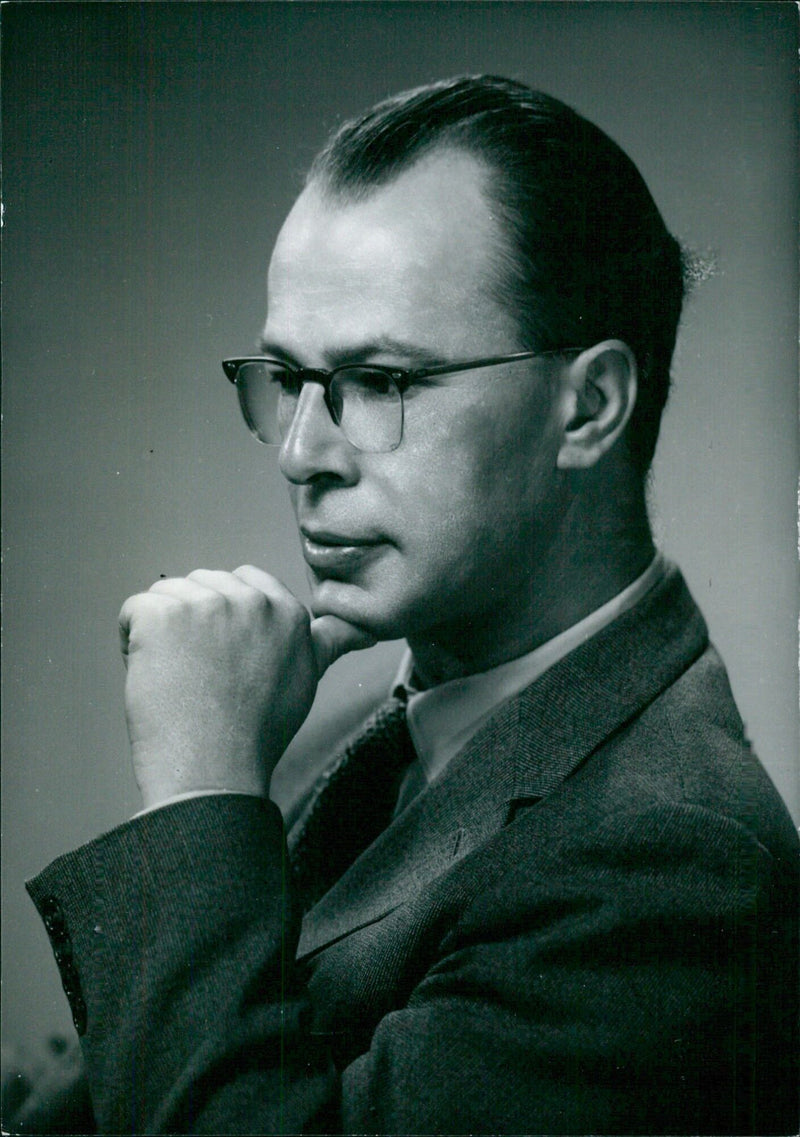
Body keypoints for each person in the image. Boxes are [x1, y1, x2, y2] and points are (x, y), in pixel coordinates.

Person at [19, 76, 799, 1135]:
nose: (300, 456)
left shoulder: (669, 861)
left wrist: (201, 788)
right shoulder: (347, 728)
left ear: (589, 407)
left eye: (379, 382)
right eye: (284, 379)